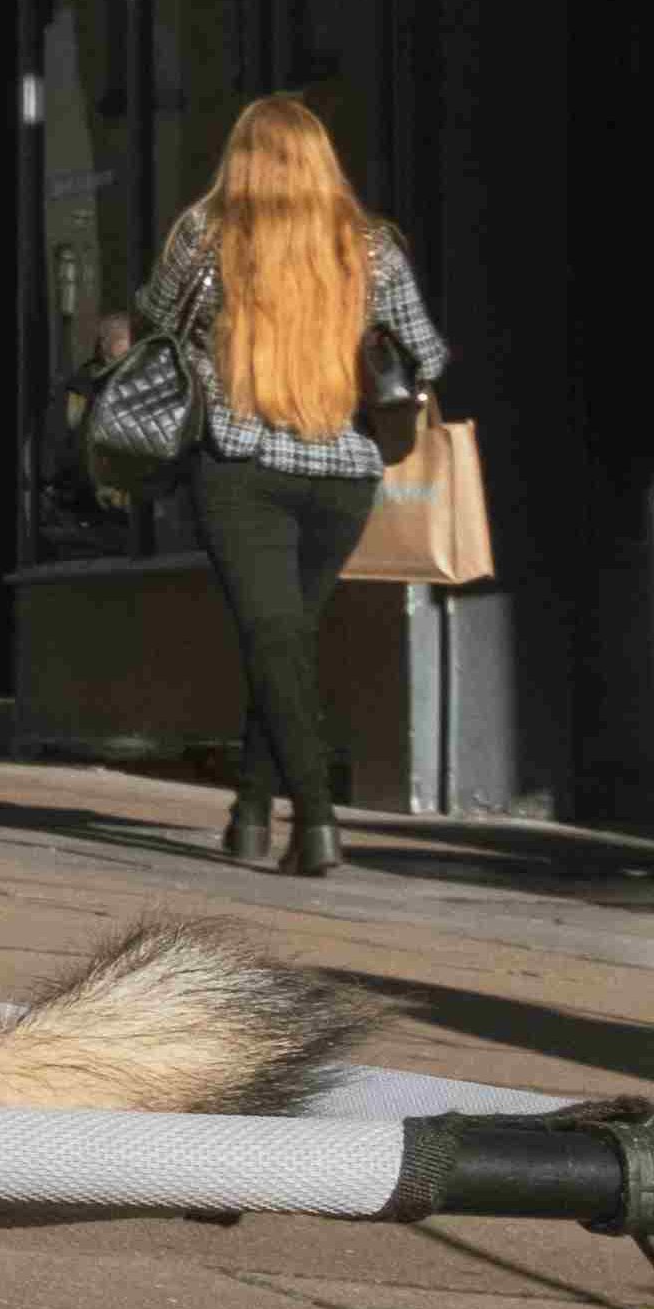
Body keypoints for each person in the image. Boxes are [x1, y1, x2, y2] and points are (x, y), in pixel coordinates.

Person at [121, 95, 447, 877]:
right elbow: (425, 358)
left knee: (277, 642)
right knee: (285, 641)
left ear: (240, 161)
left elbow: (152, 325)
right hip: (343, 477)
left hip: (240, 472)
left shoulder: (205, 240)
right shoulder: (373, 252)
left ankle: (319, 818)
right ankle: (249, 814)